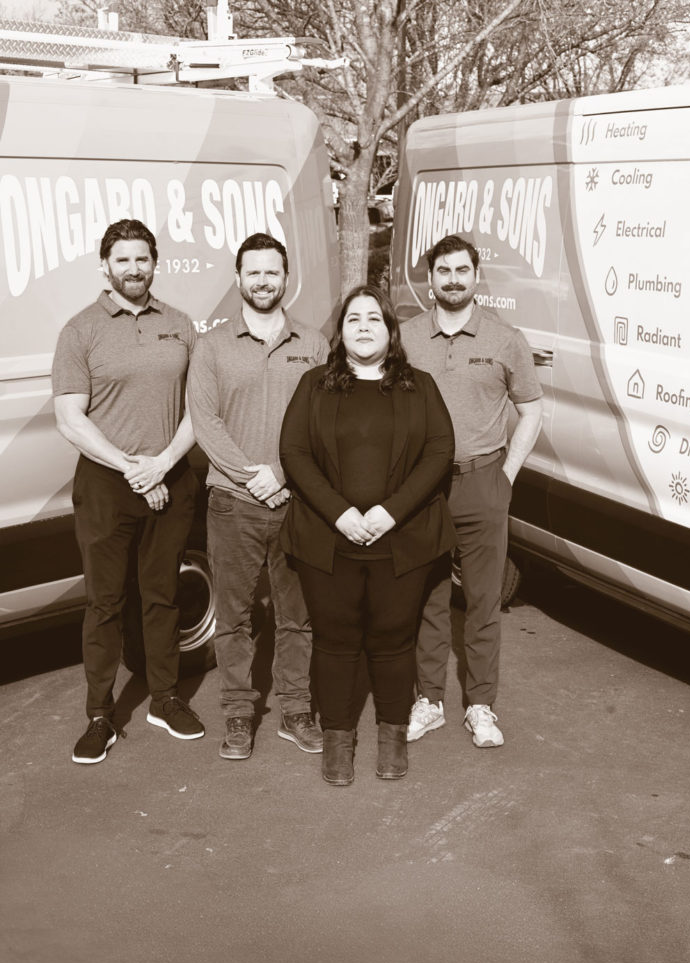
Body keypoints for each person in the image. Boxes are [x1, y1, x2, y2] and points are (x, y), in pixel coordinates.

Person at [279, 285, 456, 785]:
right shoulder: (314, 384)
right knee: (335, 641)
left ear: (390, 330)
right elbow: (294, 453)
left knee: (393, 640)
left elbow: (440, 451)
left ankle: (392, 736)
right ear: (340, 331)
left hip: (400, 540)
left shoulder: (419, 386)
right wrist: (340, 513)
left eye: (374, 318)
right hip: (328, 539)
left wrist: (390, 512)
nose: (363, 327)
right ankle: (338, 739)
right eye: (353, 318)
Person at [52, 219, 203, 765]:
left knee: (162, 596)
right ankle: (100, 714)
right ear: (105, 266)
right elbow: (70, 418)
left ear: (154, 263)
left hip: (170, 476)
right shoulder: (81, 330)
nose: (134, 269)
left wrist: (162, 465)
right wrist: (132, 469)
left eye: (142, 259)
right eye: (123, 260)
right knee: (106, 603)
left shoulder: (180, 325)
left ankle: (164, 698)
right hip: (105, 484)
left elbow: (199, 407)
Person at [188, 233, 329, 761]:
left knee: (298, 615)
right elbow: (206, 422)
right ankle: (238, 714)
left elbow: (325, 422)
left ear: (286, 277)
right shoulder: (212, 347)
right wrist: (253, 478)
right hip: (233, 503)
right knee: (234, 618)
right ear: (239, 278)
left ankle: (295, 709)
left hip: (298, 502)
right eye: (254, 272)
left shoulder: (314, 344)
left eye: (272, 272)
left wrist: (283, 474)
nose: (263, 281)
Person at [401, 234, 543, 748]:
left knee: (483, 602)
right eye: (443, 271)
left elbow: (531, 410)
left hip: (483, 480)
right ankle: (429, 700)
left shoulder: (505, 340)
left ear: (476, 276)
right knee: (428, 597)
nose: (453, 279)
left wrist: (507, 475)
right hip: (422, 487)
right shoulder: (406, 339)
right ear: (431, 280)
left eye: (462, 270)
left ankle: (481, 705)